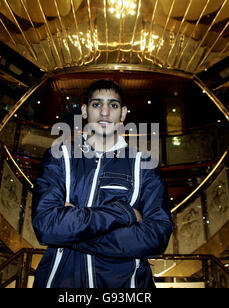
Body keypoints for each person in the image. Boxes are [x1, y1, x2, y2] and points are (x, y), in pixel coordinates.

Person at [32, 79, 173, 288]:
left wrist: (69, 234)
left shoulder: (144, 164)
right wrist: (123, 213)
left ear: (123, 114)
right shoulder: (59, 157)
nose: (105, 112)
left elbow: (157, 236)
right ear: (85, 111)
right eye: (97, 104)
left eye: (113, 105)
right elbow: (46, 225)